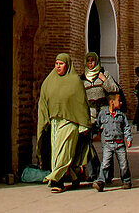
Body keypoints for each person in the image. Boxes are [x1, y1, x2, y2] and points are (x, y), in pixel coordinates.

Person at [37, 52, 90, 193]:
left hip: (70, 123)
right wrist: (44, 120)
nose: (58, 67)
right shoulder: (49, 81)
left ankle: (56, 181)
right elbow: (43, 101)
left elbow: (81, 104)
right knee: (57, 153)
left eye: (61, 64)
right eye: (56, 64)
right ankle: (75, 177)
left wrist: (84, 124)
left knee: (64, 152)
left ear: (68, 65)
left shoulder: (75, 82)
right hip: (54, 123)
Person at [82, 51, 120, 181]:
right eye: (88, 61)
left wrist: (104, 80)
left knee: (107, 144)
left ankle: (107, 174)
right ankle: (94, 172)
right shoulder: (83, 78)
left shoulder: (104, 75)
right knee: (86, 144)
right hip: (91, 115)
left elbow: (114, 89)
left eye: (92, 61)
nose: (90, 64)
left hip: (104, 114)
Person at [92, 91, 133, 191]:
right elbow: (97, 125)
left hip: (120, 144)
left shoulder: (121, 116)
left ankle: (126, 181)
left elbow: (126, 128)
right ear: (112, 102)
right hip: (108, 143)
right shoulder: (103, 114)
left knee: (123, 164)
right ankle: (101, 181)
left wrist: (128, 138)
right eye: (119, 101)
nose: (121, 103)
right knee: (105, 163)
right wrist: (92, 134)